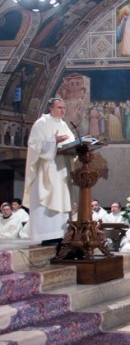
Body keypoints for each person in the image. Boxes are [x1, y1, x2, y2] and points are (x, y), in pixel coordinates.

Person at [23, 97, 76, 243]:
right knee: (47, 201)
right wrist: (53, 141)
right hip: (46, 170)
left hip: (62, 168)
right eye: (59, 108)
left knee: (61, 198)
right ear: (50, 108)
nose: (63, 111)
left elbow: (71, 143)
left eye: (64, 108)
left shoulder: (64, 125)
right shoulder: (41, 123)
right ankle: (45, 236)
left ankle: (61, 235)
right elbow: (34, 145)